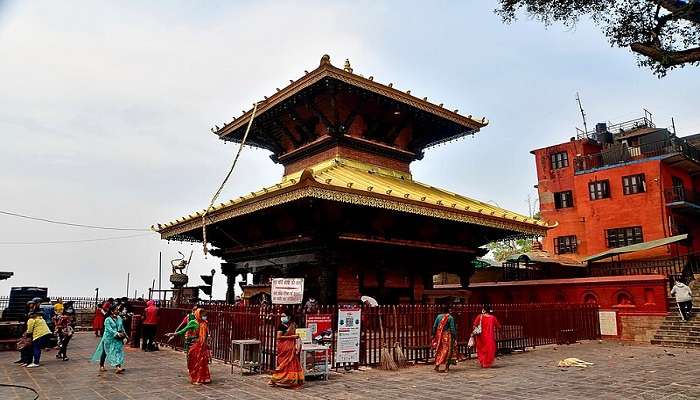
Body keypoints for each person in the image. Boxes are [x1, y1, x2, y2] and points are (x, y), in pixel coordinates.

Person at [167, 308, 211, 385]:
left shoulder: (205, 323)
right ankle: (195, 379)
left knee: (203, 362)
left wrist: (208, 337)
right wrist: (174, 334)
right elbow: (183, 330)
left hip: (202, 345)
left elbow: (207, 334)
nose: (205, 316)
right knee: (194, 361)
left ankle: (203, 378)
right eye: (203, 315)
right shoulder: (193, 322)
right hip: (195, 344)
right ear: (198, 314)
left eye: (205, 315)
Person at [269, 313, 304, 388]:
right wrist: (291, 337)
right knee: (283, 365)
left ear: (289, 317)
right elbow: (279, 337)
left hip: (291, 347)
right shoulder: (281, 326)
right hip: (284, 347)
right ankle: (276, 379)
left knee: (292, 364)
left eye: (284, 316)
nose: (282, 317)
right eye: (282, 316)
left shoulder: (292, 325)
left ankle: (291, 381)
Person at [91, 305, 126, 374]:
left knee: (117, 351)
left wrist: (125, 336)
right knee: (105, 351)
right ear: (112, 311)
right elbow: (109, 329)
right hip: (108, 338)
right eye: (116, 309)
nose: (118, 311)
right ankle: (101, 365)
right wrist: (116, 333)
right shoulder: (107, 319)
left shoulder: (119, 318)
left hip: (117, 338)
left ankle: (118, 367)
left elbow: (122, 327)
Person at [472, 304, 501, 368]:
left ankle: (483, 362)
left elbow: (474, 325)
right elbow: (498, 326)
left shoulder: (479, 316)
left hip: (480, 336)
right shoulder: (492, 318)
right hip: (489, 336)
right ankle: (487, 363)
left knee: (481, 349)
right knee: (489, 349)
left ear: (484, 310)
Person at [431, 305, 457, 372]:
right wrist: (455, 336)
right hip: (447, 336)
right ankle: (446, 367)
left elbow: (434, 326)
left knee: (439, 349)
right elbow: (452, 329)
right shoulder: (450, 318)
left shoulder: (438, 316)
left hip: (439, 336)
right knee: (448, 351)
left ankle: (437, 365)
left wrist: (433, 334)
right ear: (449, 310)